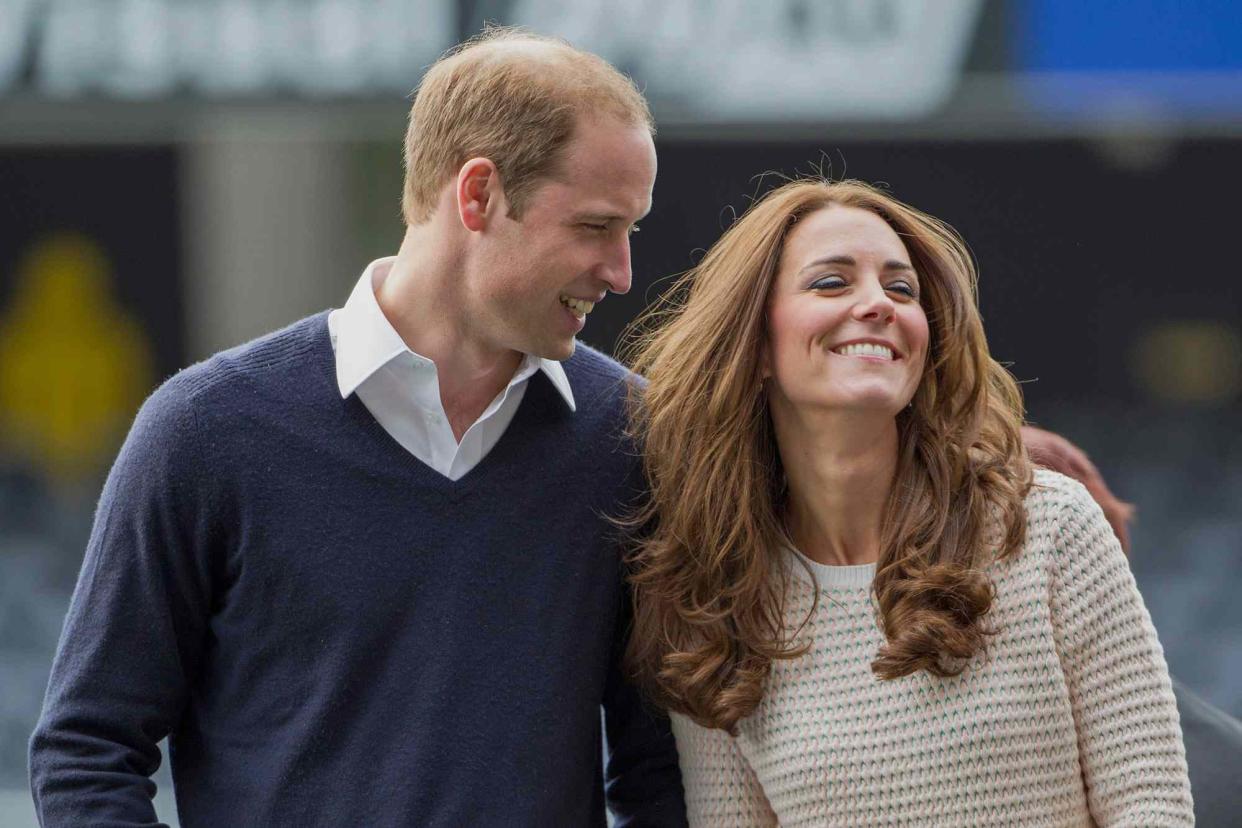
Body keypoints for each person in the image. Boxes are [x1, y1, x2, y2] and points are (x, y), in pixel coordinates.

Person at [29, 28, 686, 827]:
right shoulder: (206, 430)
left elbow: (662, 776)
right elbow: (86, 750)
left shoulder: (634, 441)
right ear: (476, 195)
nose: (621, 271)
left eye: (631, 232)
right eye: (594, 227)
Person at [621, 178, 1194, 825]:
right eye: (831, 283)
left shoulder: (1050, 525)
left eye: (901, 289)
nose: (878, 305)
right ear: (754, 346)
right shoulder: (713, 601)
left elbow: (1152, 808)